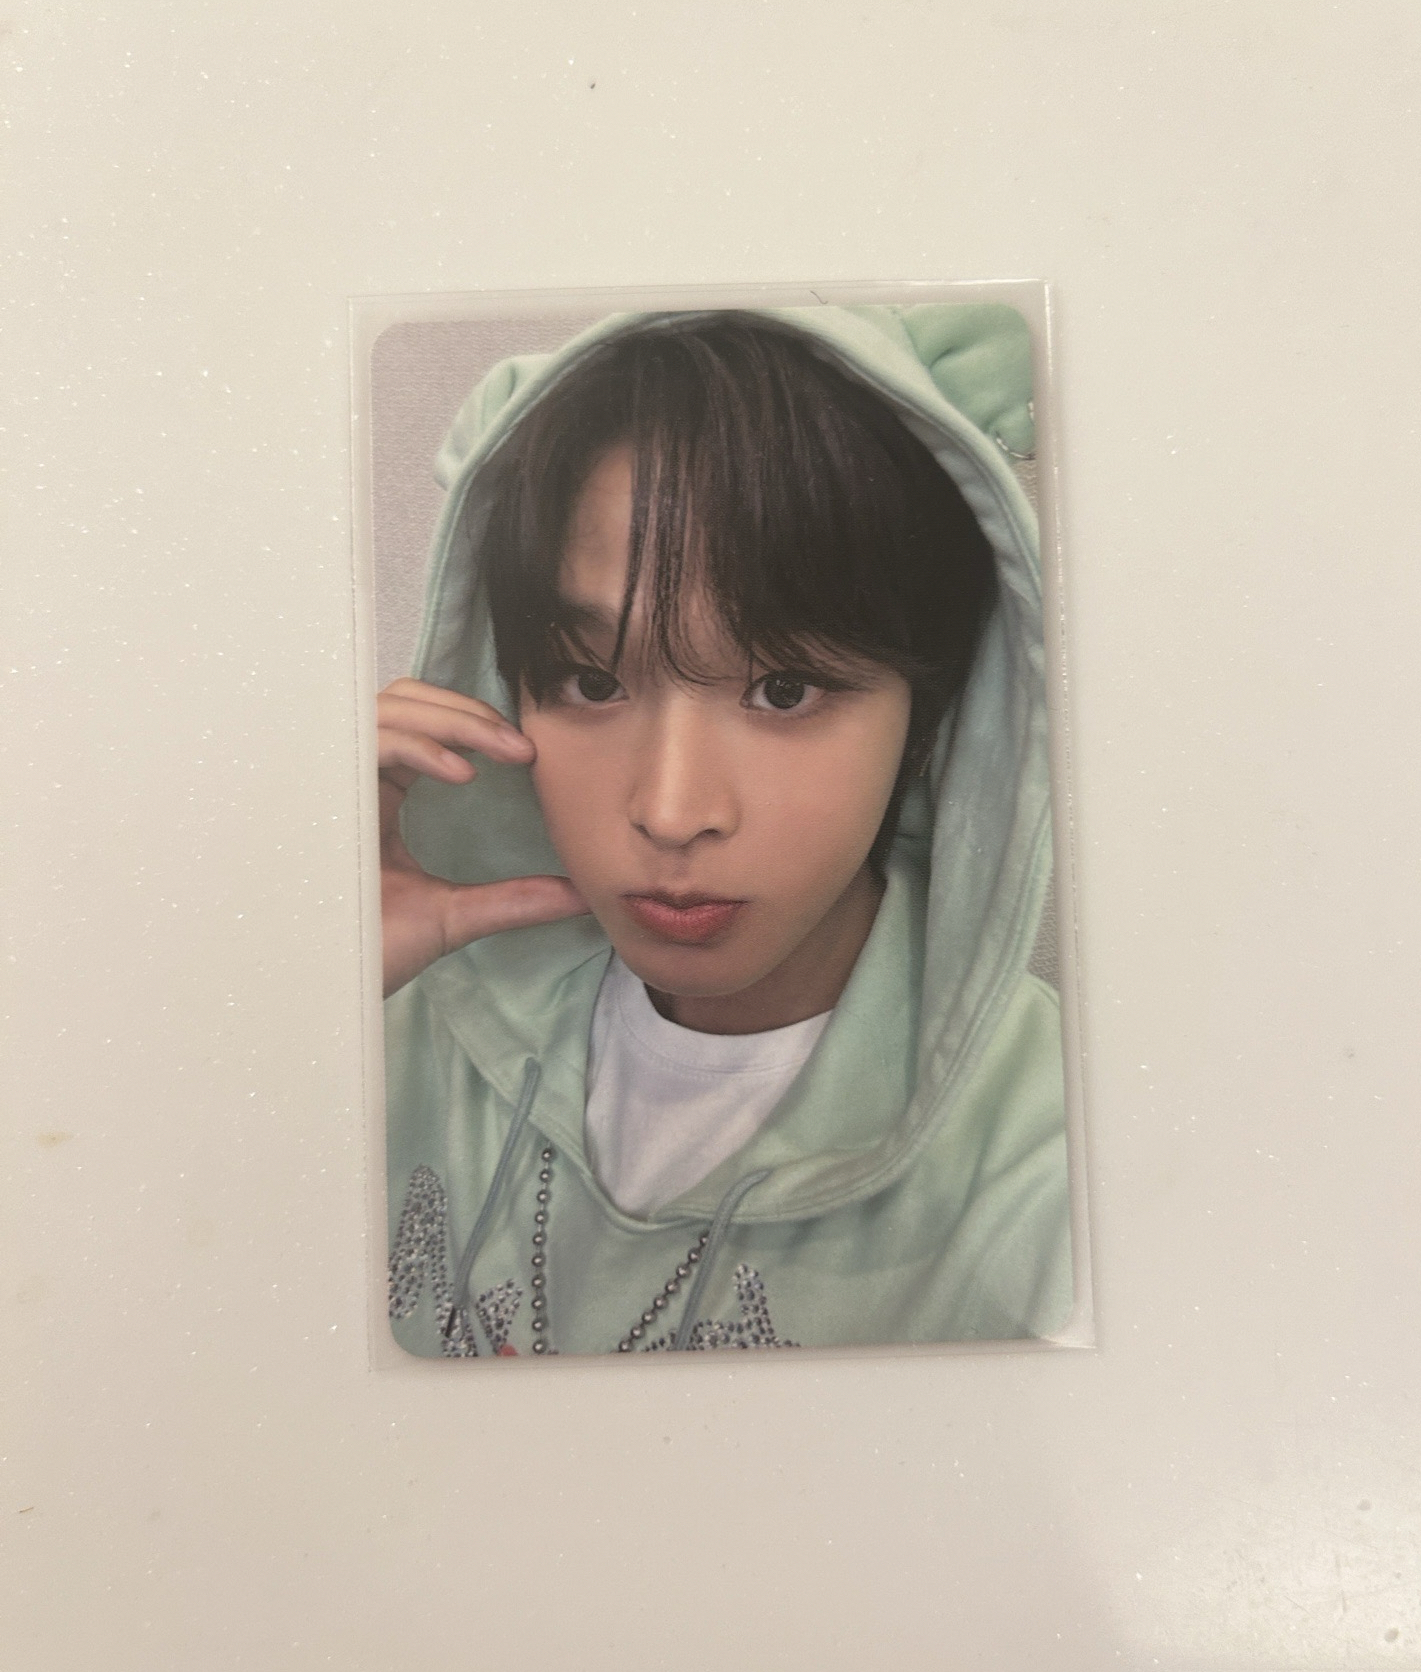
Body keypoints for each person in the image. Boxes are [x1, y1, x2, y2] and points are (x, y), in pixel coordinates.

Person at [382, 305, 1072, 1357]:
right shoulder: (395, 1026)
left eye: (783, 688)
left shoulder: (1065, 1162)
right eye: (591, 681)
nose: (670, 811)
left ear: (928, 721)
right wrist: (287, 1000)